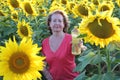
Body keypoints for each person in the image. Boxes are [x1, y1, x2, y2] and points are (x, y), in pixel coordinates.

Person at [41, 10, 86, 80]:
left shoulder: (71, 38)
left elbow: (80, 52)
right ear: (49, 23)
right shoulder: (45, 42)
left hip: (72, 78)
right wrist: (48, 76)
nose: (57, 23)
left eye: (60, 21)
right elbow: (43, 63)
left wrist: (81, 47)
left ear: (64, 24)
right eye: (54, 20)